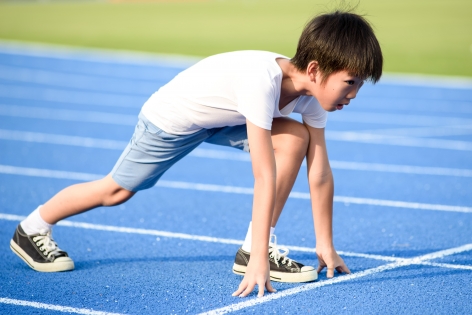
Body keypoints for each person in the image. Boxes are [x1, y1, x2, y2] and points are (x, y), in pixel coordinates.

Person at [10, 10, 382, 298]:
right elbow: (263, 175)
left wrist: (326, 245)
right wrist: (258, 265)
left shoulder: (311, 96)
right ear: (316, 70)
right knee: (116, 191)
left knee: (295, 138)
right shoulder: (261, 81)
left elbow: (319, 173)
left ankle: (255, 245)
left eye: (359, 85)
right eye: (350, 83)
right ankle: (33, 227)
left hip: (221, 118)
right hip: (172, 118)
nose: (354, 95)